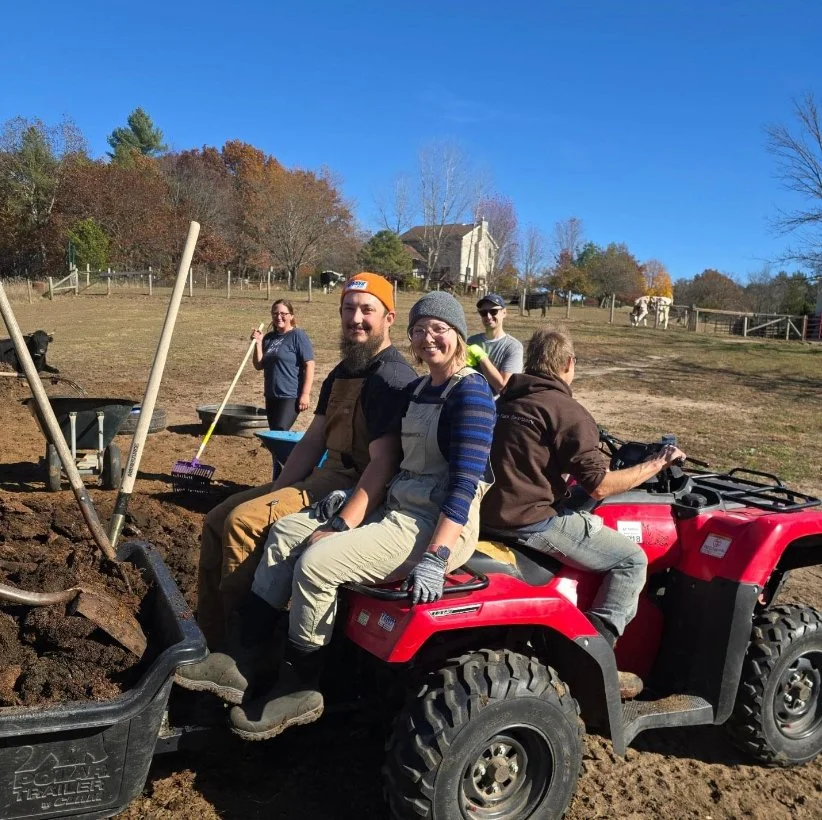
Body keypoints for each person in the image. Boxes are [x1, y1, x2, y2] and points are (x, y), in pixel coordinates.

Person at [195, 292, 496, 741]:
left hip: (435, 523)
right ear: (409, 335)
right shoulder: (417, 390)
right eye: (420, 329)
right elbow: (392, 465)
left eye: (439, 329)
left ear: (457, 334)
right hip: (396, 506)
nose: (428, 338)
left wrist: (436, 555)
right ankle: (242, 656)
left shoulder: (471, 393)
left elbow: (465, 484)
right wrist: (345, 506)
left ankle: (301, 684)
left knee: (318, 563)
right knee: (286, 532)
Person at [180, 273, 416, 656]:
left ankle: (239, 645)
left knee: (243, 523)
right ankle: (208, 629)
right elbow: (312, 440)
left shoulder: (390, 377)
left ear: (389, 317)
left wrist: (343, 522)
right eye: (349, 309)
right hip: (322, 475)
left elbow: (384, 462)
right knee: (218, 517)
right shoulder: (342, 372)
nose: (356, 319)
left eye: (367, 310)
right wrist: (276, 493)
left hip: (351, 489)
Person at [481, 326, 686, 661]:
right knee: (631, 559)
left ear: (530, 363)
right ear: (569, 364)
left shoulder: (504, 400)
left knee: (579, 506)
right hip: (527, 521)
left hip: (487, 512)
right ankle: (596, 654)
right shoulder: (566, 411)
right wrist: (657, 463)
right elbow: (600, 485)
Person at [252, 299, 315, 431]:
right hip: (271, 395)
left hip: (290, 395)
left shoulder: (298, 335)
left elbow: (309, 364)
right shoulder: (269, 338)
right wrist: (258, 343)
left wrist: (305, 394)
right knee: (275, 432)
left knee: (280, 430)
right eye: (275, 313)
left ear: (291, 316)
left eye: (283, 313)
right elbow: (259, 365)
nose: (279, 317)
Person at [466, 292, 523, 395]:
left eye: (493, 311)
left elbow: (503, 388)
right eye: (483, 312)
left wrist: (482, 357)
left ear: (504, 313)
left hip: (495, 406)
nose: (488, 316)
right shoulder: (470, 341)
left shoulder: (513, 347)